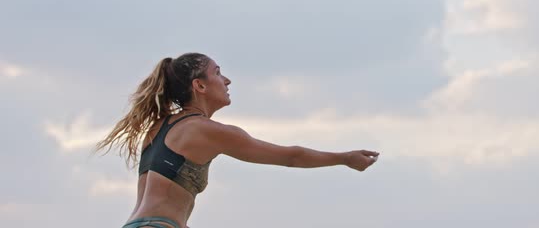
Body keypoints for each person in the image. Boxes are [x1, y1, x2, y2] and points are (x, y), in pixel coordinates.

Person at [95, 52, 380, 228]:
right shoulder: (207, 131)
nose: (227, 80)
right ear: (200, 86)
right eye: (218, 73)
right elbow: (290, 157)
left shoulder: (158, 127)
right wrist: (344, 158)